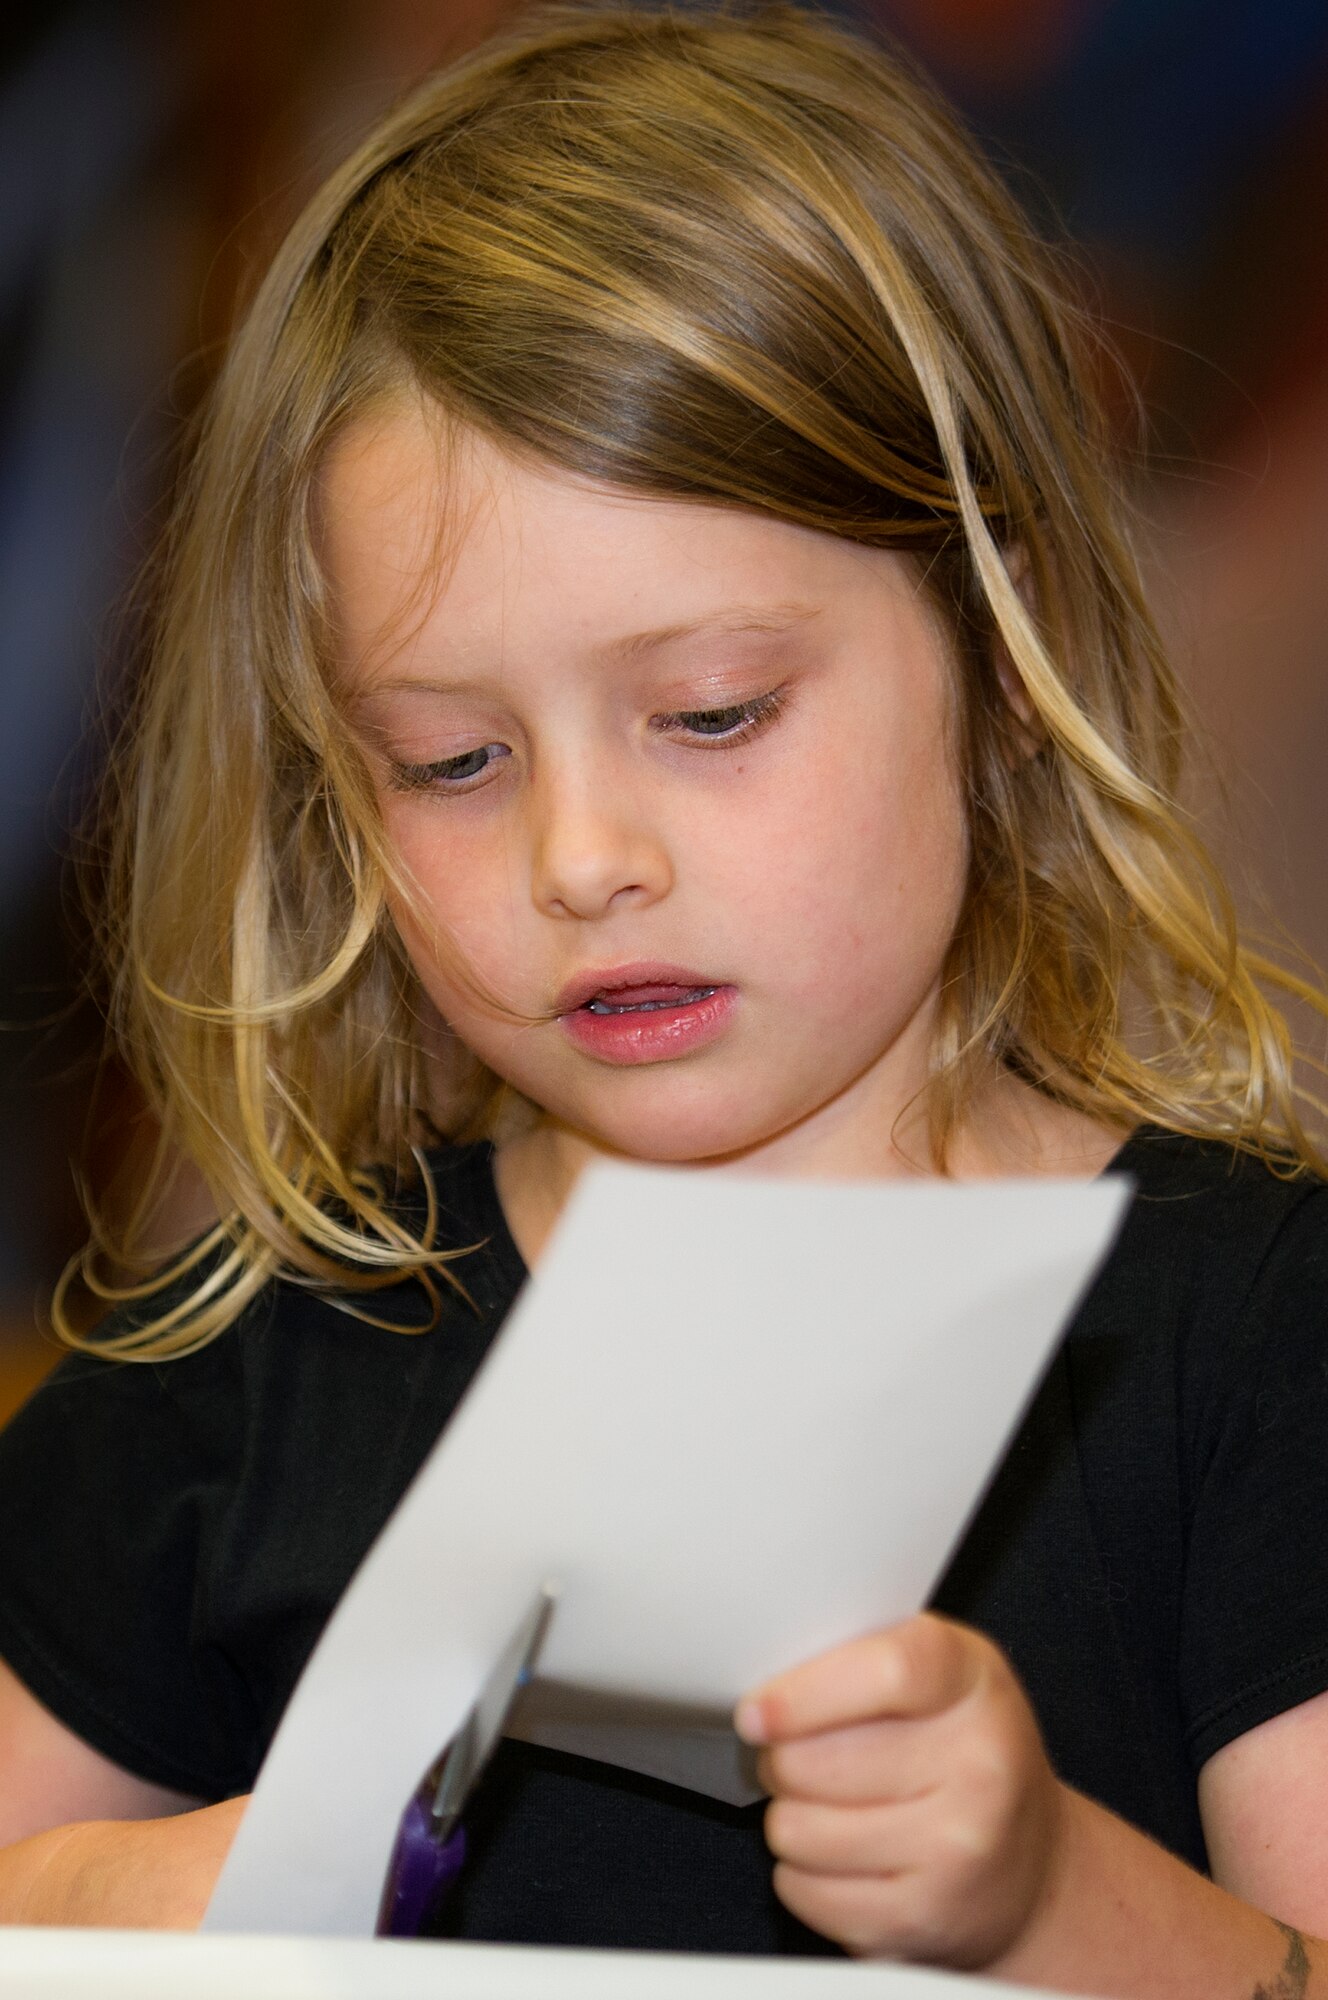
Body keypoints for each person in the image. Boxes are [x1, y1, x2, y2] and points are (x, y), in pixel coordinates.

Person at [0, 4, 1324, 1989]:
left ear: (1006, 638)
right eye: (450, 758)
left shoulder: (1253, 1333)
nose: (580, 856)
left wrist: (1050, 1896)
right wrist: (98, 1898)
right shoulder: (252, 1356)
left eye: (710, 713)